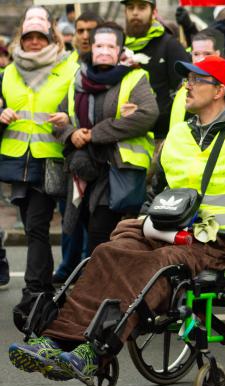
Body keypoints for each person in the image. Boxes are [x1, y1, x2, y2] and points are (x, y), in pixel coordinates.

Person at [8, 55, 225, 382]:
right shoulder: (178, 135)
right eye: (186, 79)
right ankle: (57, 338)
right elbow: (158, 193)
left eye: (196, 80)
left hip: (224, 241)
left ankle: (95, 350)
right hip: (171, 228)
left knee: (159, 263)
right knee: (108, 251)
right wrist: (146, 221)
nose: (186, 86)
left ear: (219, 90)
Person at [0, 5, 78, 331]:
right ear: (21, 36)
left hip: (51, 159)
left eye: (39, 36)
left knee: (38, 226)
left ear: (51, 37)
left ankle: (36, 293)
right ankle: (41, 291)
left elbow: (81, 111)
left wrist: (70, 121)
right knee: (33, 228)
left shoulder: (70, 67)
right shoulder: (8, 72)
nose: (33, 42)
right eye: (28, 36)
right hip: (18, 161)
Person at [58, 22, 159, 256]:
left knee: (99, 233)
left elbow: (147, 115)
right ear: (91, 48)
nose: (104, 51)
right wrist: (72, 134)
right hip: (84, 170)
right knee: (84, 227)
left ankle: (97, 288)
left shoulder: (135, 77)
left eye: (110, 46)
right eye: (99, 45)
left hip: (115, 171)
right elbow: (62, 116)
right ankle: (95, 283)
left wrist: (95, 134)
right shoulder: (78, 78)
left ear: (120, 50)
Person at [53, 11, 105, 285]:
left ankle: (88, 270)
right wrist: (71, 133)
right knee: (70, 215)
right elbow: (59, 110)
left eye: (91, 30)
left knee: (95, 222)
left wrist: (93, 134)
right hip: (73, 156)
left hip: (102, 158)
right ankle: (68, 267)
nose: (85, 36)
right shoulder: (64, 64)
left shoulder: (112, 63)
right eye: (80, 30)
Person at [122, 0, 190, 141]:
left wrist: (144, 115)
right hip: (122, 137)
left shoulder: (170, 45)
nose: (135, 12)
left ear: (154, 12)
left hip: (160, 138)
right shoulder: (117, 47)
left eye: (142, 7)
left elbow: (186, 93)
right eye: (130, 7)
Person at [170, 28, 224, 129]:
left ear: (218, 54)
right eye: (196, 54)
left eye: (207, 54)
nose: (200, 59)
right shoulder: (184, 87)